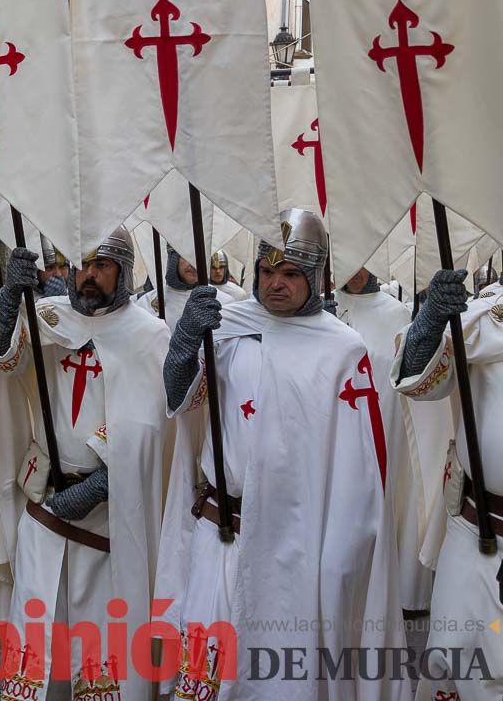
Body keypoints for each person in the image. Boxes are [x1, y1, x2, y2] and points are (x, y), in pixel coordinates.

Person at [156, 209, 405, 700]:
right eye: (267, 271)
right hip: (221, 534)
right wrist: (185, 343)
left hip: (295, 547)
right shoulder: (226, 328)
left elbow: (358, 473)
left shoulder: (342, 350)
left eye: (290, 273)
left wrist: (340, 559)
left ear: (315, 276)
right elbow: (180, 399)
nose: (276, 283)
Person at [0, 227, 173, 700]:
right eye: (81, 263)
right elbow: (1, 360)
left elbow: (152, 425)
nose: (88, 276)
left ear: (123, 272)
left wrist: (104, 479)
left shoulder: (147, 335)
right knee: (37, 647)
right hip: (44, 507)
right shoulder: (46, 316)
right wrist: (7, 303)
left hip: (108, 520)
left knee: (99, 647)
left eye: (102, 266)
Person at [393, 268, 503, 701]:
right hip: (479, 533)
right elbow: (421, 381)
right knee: (453, 661)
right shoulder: (489, 315)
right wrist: (429, 324)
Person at [338, 268, 452, 615]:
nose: (355, 273)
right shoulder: (325, 310)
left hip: (384, 427)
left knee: (387, 499)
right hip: (337, 430)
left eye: (363, 263)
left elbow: (407, 375)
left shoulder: (395, 313)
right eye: (349, 263)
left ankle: (390, 591)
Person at [135, 246, 233, 330]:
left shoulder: (224, 302)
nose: (193, 264)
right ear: (174, 258)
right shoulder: (146, 303)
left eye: (199, 257)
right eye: (187, 256)